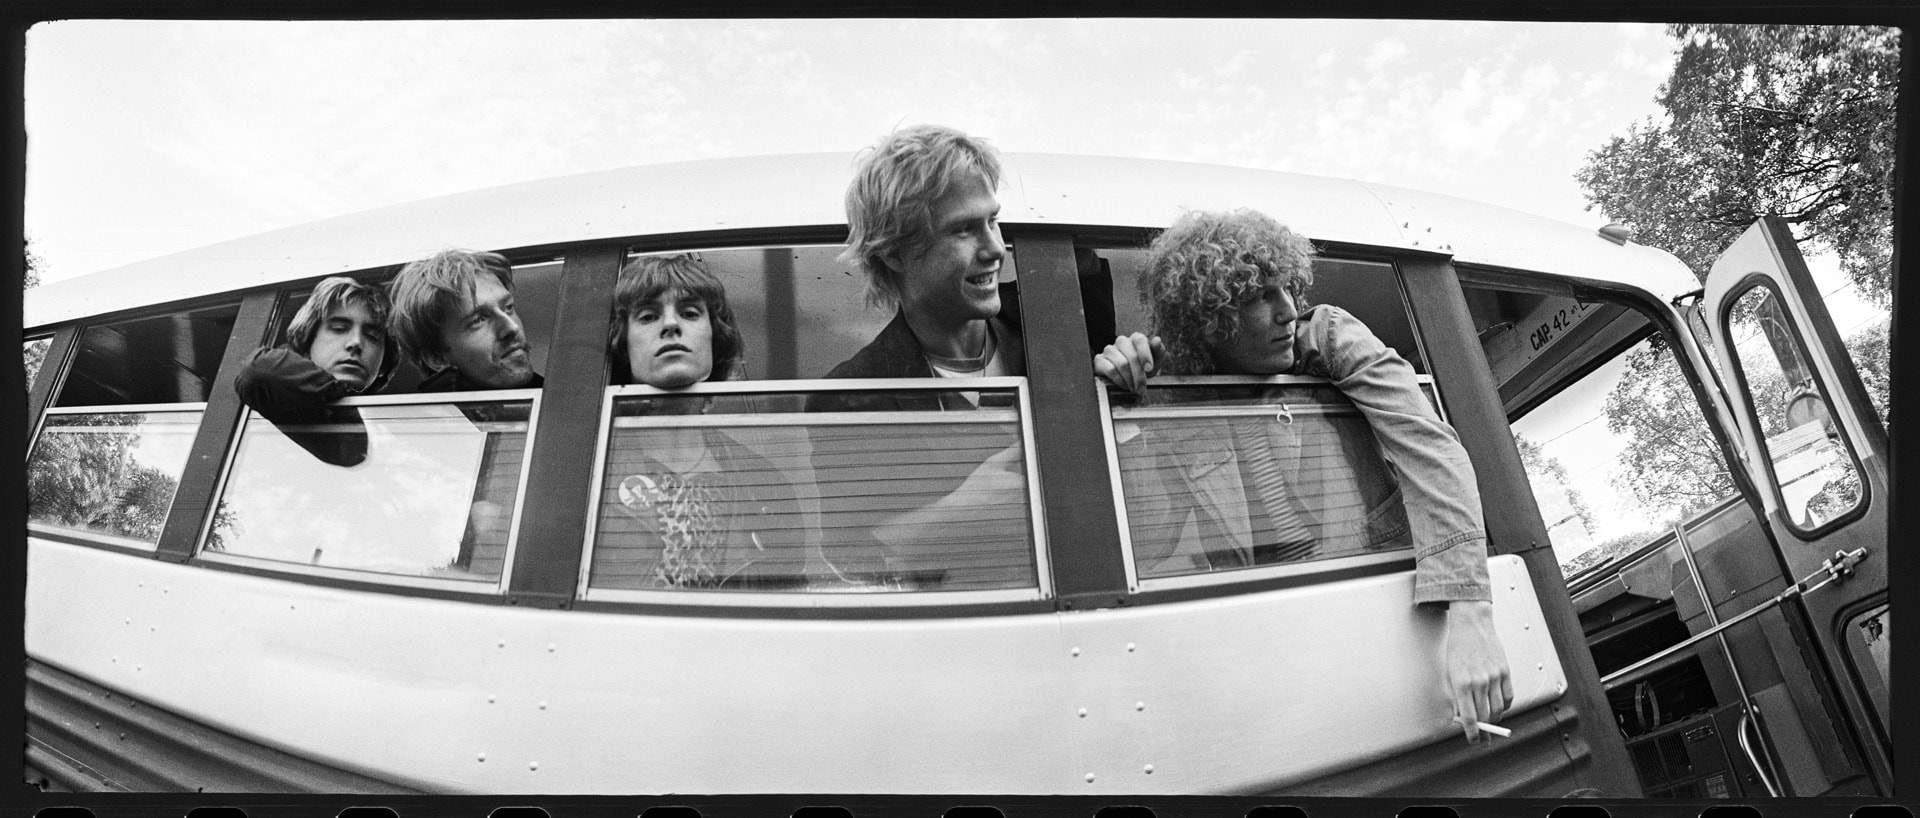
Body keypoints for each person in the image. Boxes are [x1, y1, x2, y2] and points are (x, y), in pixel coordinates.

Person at [1095, 208, 1514, 743]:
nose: (1287, 310)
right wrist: (1123, 411)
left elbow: (1428, 449)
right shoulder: (1176, 394)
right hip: (1266, 644)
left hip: (1384, 605)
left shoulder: (1330, 336)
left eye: (1287, 288)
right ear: (1207, 318)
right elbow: (1150, 542)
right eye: (1257, 297)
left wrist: (1471, 610)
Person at [597, 255, 802, 590]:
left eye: (690, 313)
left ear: (714, 337)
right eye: (648, 316)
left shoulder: (765, 485)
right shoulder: (589, 467)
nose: (670, 325)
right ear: (622, 343)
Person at [806, 124, 1023, 411]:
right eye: (964, 229)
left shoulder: (1054, 323)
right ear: (894, 252)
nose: (996, 248)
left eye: (992, 222)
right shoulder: (850, 399)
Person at [233, 275, 397, 466]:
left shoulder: (385, 420)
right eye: (339, 328)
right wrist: (337, 390)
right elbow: (259, 371)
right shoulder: (292, 396)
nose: (356, 343)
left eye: (372, 335)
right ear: (308, 338)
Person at [388, 249, 542, 391]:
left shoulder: (556, 402)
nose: (512, 327)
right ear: (437, 358)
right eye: (479, 320)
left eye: (508, 307)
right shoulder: (424, 421)